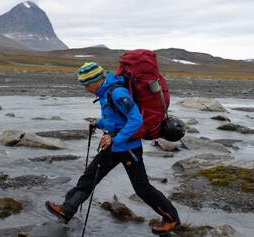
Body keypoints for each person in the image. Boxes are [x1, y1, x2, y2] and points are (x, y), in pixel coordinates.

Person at [45, 62, 180, 235]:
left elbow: (136, 120)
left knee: (142, 188)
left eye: (86, 84)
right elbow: (115, 119)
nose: (85, 89)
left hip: (129, 147)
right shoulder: (104, 92)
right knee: (90, 177)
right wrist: (99, 123)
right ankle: (67, 210)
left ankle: (172, 218)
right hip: (114, 146)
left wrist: (115, 138)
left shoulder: (117, 93)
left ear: (96, 80)